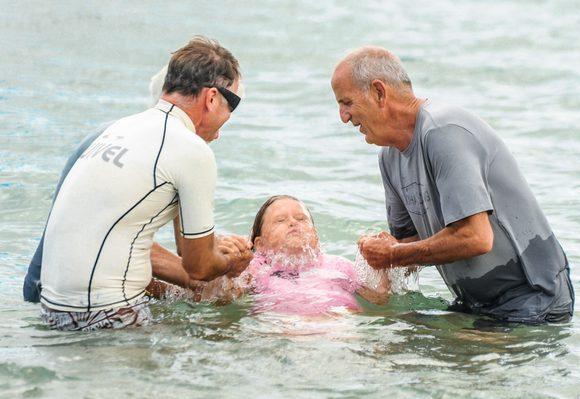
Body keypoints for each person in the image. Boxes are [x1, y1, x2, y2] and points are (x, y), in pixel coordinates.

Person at [330, 46, 574, 324]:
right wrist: (352, 280)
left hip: (534, 299)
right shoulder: (389, 157)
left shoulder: (443, 131)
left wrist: (393, 254)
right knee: (395, 341)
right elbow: (412, 249)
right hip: (475, 304)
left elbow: (475, 237)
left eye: (346, 102)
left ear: (379, 92)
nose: (343, 117)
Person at [23, 36, 253, 331]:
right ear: (211, 98)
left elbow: (174, 249)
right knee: (224, 337)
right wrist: (230, 263)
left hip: (53, 310)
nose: (224, 125)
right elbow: (199, 266)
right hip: (108, 315)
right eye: (232, 105)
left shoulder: (114, 130)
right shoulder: (191, 150)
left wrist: (208, 254)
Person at [149, 195, 390, 316]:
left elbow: (378, 300)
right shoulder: (253, 268)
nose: (294, 224)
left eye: (301, 219)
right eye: (281, 221)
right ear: (260, 244)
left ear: (315, 236)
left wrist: (382, 265)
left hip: (342, 325)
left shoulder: (340, 266)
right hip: (277, 329)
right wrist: (230, 271)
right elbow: (219, 298)